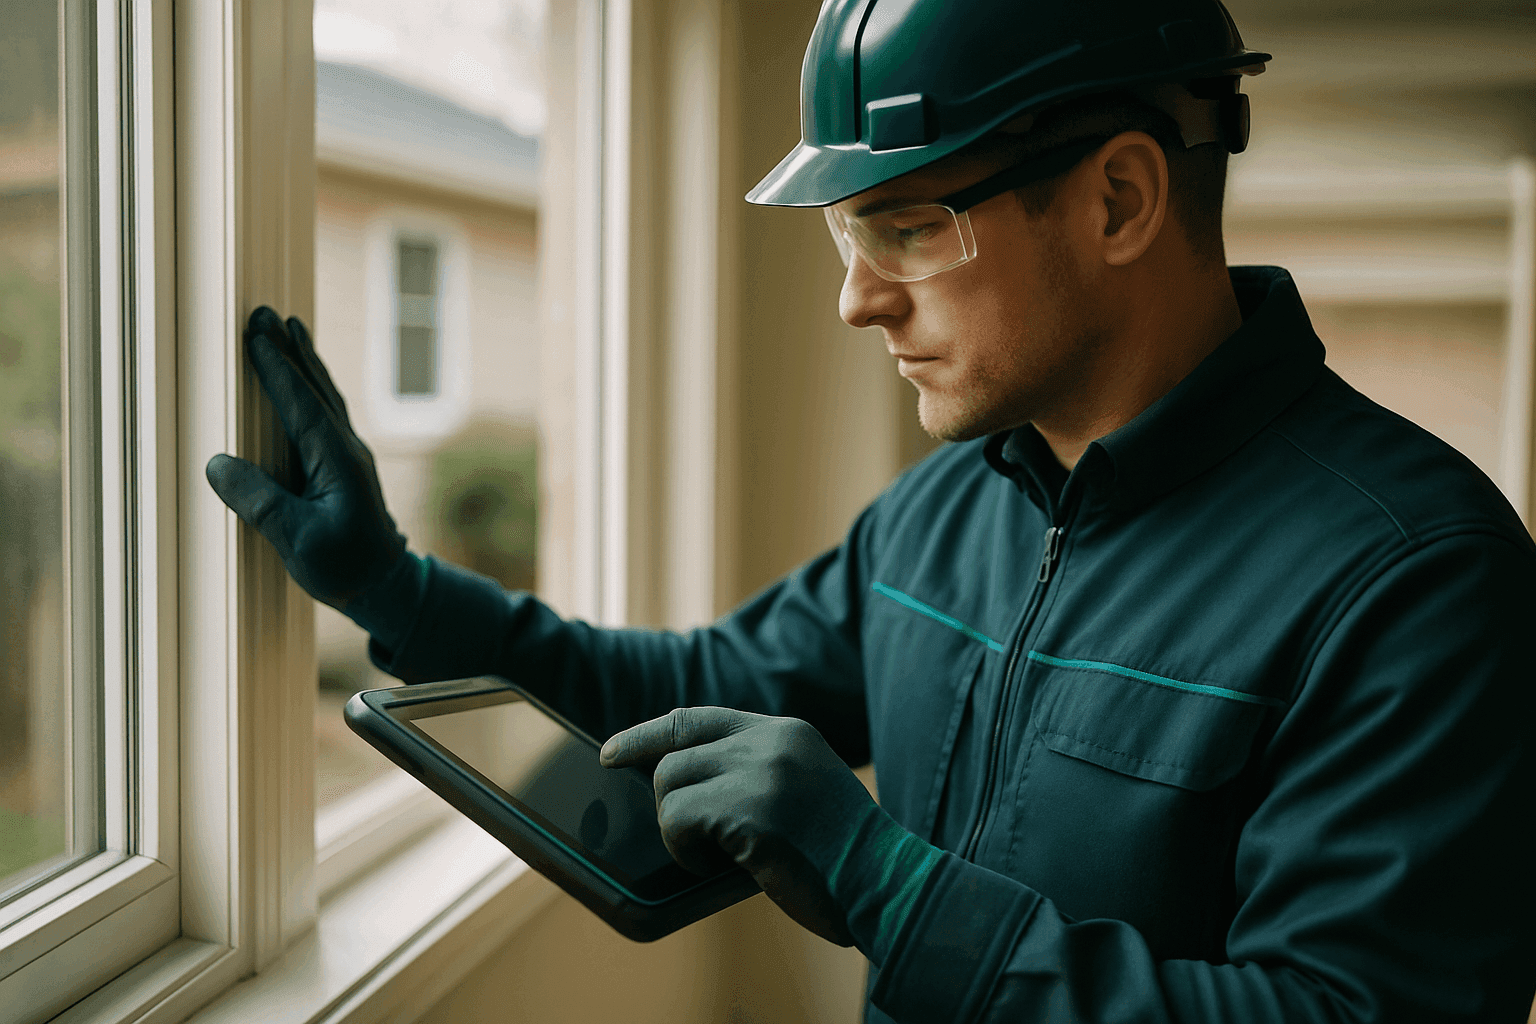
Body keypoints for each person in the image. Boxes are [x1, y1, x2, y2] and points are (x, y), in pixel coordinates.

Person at [206, 0, 1536, 1019]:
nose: (859, 300)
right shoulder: (944, 512)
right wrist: (395, 589)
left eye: (906, 228)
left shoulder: (1416, 582)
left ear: (1119, 198)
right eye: (849, 241)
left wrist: (898, 892)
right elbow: (695, 696)